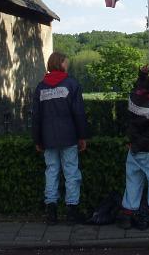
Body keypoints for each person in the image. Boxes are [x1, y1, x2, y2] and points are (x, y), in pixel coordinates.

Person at [31, 52, 88, 225]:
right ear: (61, 63)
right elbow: (78, 113)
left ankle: (51, 213)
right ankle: (72, 212)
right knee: (71, 172)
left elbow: (36, 117)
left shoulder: (41, 87)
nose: (67, 65)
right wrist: (82, 136)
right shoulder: (71, 84)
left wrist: (37, 140)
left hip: (48, 138)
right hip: (69, 136)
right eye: (66, 62)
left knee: (51, 172)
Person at [118, 66, 149, 229]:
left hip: (134, 148)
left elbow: (138, 88)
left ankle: (128, 214)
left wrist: (142, 75)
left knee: (133, 181)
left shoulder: (133, 98)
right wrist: (139, 146)